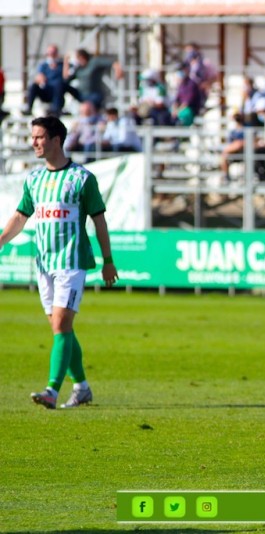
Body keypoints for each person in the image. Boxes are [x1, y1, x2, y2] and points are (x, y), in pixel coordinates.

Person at [0, 115, 118, 409]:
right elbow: (20, 217)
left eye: (39, 137)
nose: (34, 142)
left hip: (71, 263)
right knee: (59, 328)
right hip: (44, 264)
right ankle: (82, 387)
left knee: (62, 324)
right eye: (33, 137)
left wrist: (108, 260)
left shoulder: (82, 179)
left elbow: (99, 219)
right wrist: (1, 240)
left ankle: (52, 390)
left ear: (56, 140)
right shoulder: (35, 179)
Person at [24, 44, 79, 116]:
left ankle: (56, 109)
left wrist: (66, 62)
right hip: (47, 92)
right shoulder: (43, 65)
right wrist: (40, 79)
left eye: (53, 53)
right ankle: (29, 108)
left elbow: (66, 77)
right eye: (49, 53)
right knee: (33, 86)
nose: (51, 55)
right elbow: (39, 77)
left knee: (58, 84)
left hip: (59, 93)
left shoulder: (62, 65)